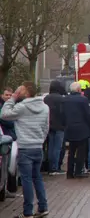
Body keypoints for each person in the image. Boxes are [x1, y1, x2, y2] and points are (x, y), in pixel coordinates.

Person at [1, 81, 50, 218]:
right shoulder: (45, 107)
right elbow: (46, 127)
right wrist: (40, 140)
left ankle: (28, 212)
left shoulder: (22, 107)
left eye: (20, 89)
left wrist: (13, 97)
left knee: (26, 180)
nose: (18, 91)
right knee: (37, 178)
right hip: (37, 147)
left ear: (26, 92)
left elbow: (4, 114)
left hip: (25, 147)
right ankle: (43, 207)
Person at [63, 82, 90, 179]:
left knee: (71, 151)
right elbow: (87, 114)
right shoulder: (83, 100)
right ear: (79, 90)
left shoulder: (65, 99)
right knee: (81, 152)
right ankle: (78, 171)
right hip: (82, 129)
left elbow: (63, 113)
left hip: (70, 128)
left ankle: (69, 172)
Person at [43, 80, 66, 176]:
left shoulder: (46, 98)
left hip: (49, 125)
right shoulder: (61, 99)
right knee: (57, 148)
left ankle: (50, 167)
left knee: (51, 147)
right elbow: (64, 113)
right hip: (59, 126)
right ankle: (55, 168)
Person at [0, 86, 18, 199]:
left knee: (8, 166)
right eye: (6, 95)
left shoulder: (11, 106)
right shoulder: (2, 107)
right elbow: (8, 121)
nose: (8, 97)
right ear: (2, 95)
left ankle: (5, 189)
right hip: (5, 138)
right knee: (6, 166)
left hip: (8, 138)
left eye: (10, 95)